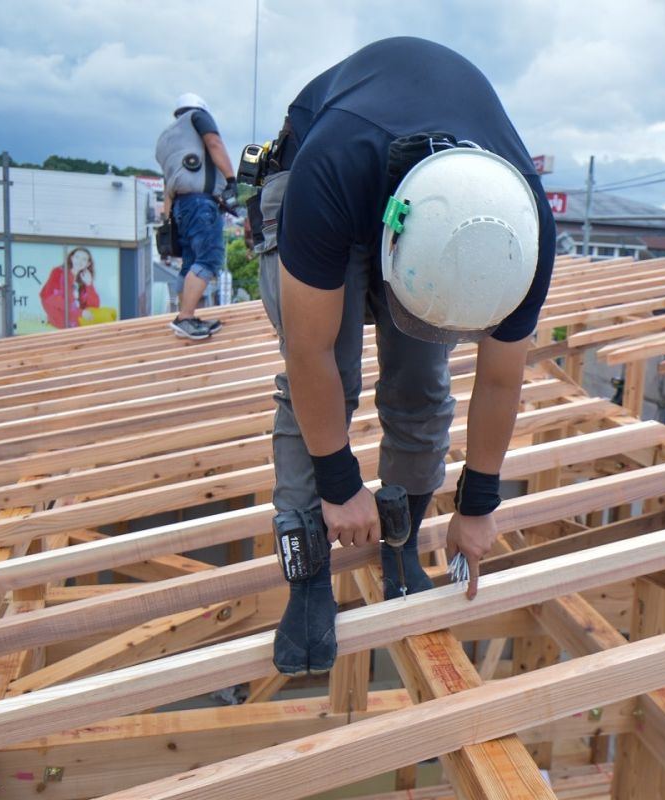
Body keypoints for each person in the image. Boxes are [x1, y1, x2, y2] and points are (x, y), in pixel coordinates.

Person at [256, 37, 555, 676]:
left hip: (421, 202)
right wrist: (339, 485)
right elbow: (307, 354)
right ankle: (307, 575)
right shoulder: (329, 172)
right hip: (320, 177)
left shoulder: (522, 233)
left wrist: (477, 507)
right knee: (328, 379)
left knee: (421, 378)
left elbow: (501, 382)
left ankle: (400, 547)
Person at [155, 92, 238, 340]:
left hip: (181, 205)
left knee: (190, 263)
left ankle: (187, 316)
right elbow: (214, 143)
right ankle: (186, 318)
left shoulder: (166, 137)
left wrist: (168, 218)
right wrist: (231, 179)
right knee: (210, 257)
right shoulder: (198, 118)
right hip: (200, 203)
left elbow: (168, 182)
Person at [40, 246, 102, 329]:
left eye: (84, 259)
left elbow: (94, 306)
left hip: (76, 320)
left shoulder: (83, 279)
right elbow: (53, 298)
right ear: (72, 258)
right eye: (77, 257)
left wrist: (89, 285)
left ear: (88, 264)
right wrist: (80, 312)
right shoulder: (58, 272)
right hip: (60, 319)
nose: (79, 261)